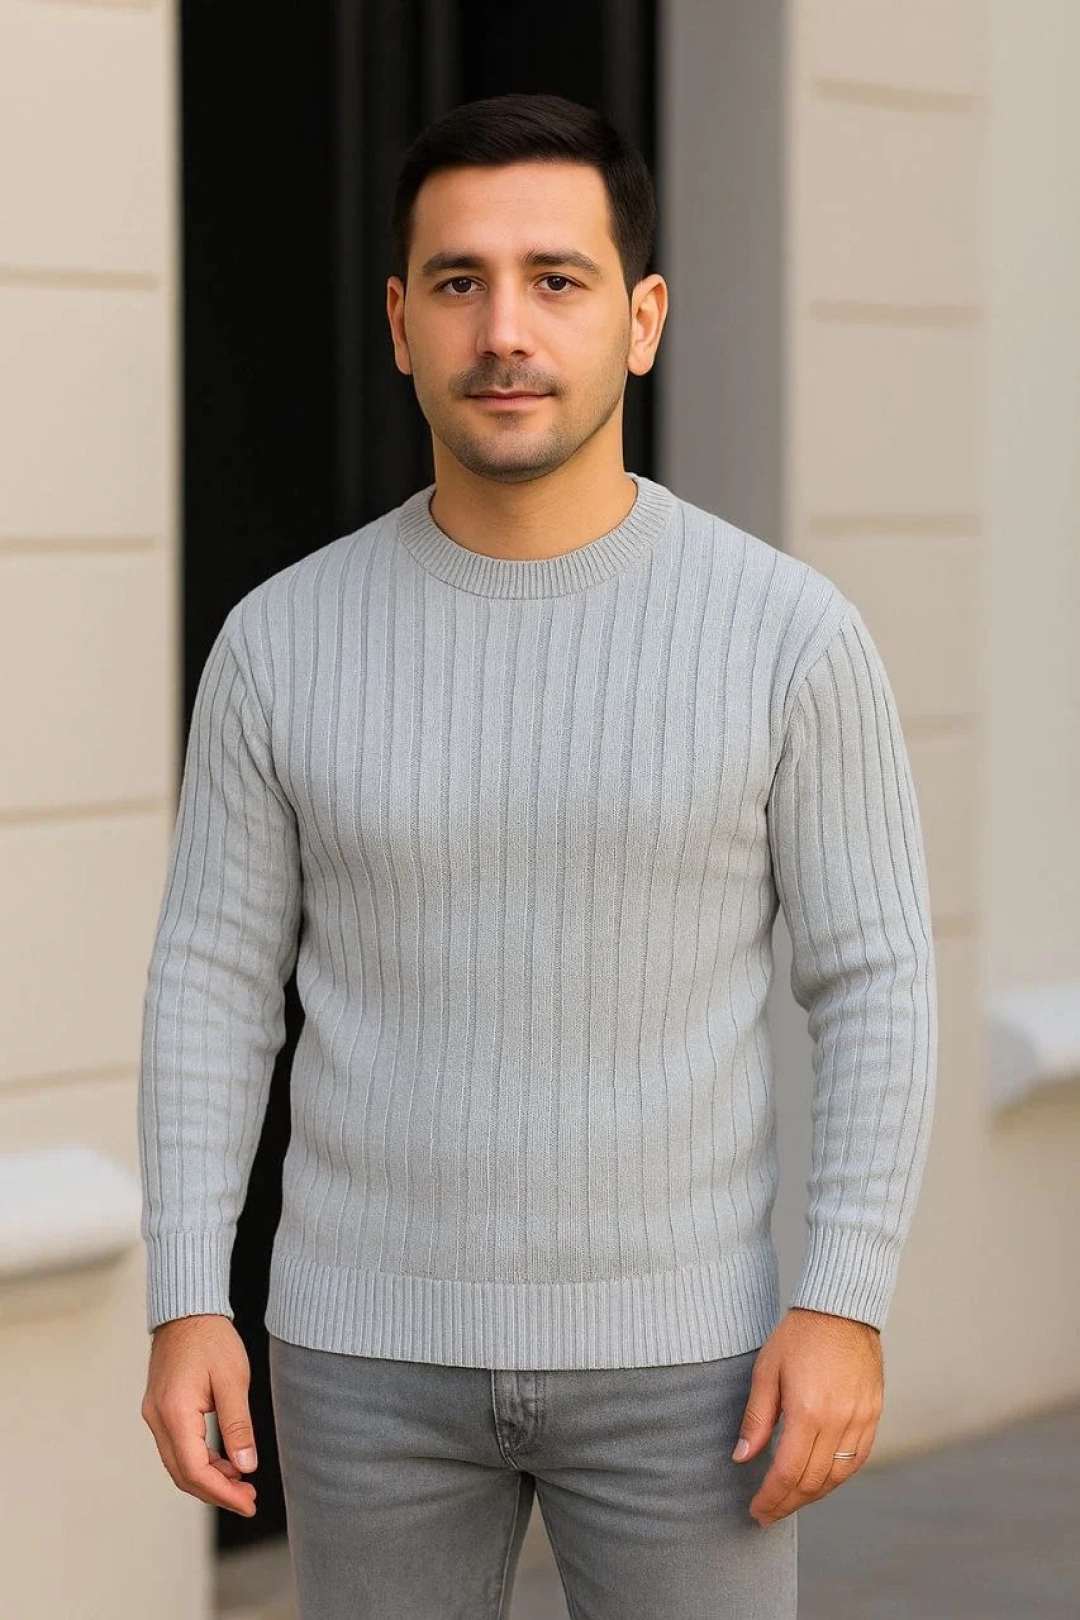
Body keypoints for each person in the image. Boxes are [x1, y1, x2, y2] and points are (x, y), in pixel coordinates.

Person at [137, 91, 937, 1619]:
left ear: (642, 320)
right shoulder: (278, 643)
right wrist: (188, 1295)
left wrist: (845, 1297)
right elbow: (212, 987)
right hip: (360, 1360)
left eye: (556, 279)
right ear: (400, 323)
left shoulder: (789, 638)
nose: (505, 329)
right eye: (461, 281)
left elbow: (877, 981)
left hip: (692, 1366)